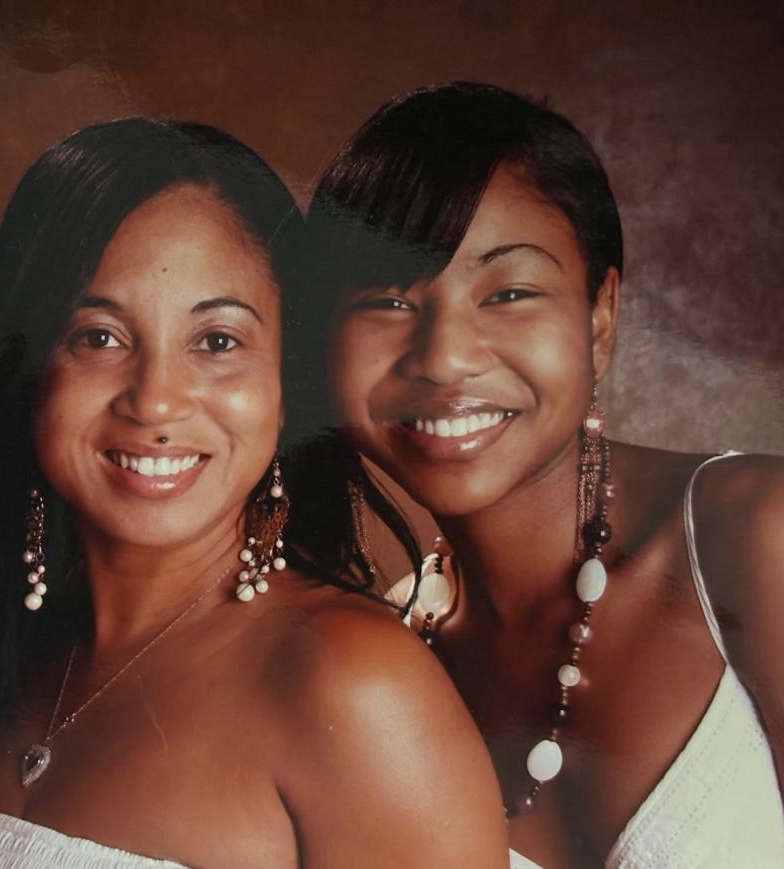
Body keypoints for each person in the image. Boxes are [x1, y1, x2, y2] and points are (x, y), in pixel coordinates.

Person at [0, 118, 508, 868]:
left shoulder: (349, 682)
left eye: (218, 341)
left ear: (286, 387)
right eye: (98, 336)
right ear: (31, 375)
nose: (156, 402)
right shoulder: (8, 656)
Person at [298, 81, 784, 868]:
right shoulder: (389, 662)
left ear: (600, 319)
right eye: (388, 299)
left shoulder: (754, 535)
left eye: (510, 292)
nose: (445, 356)